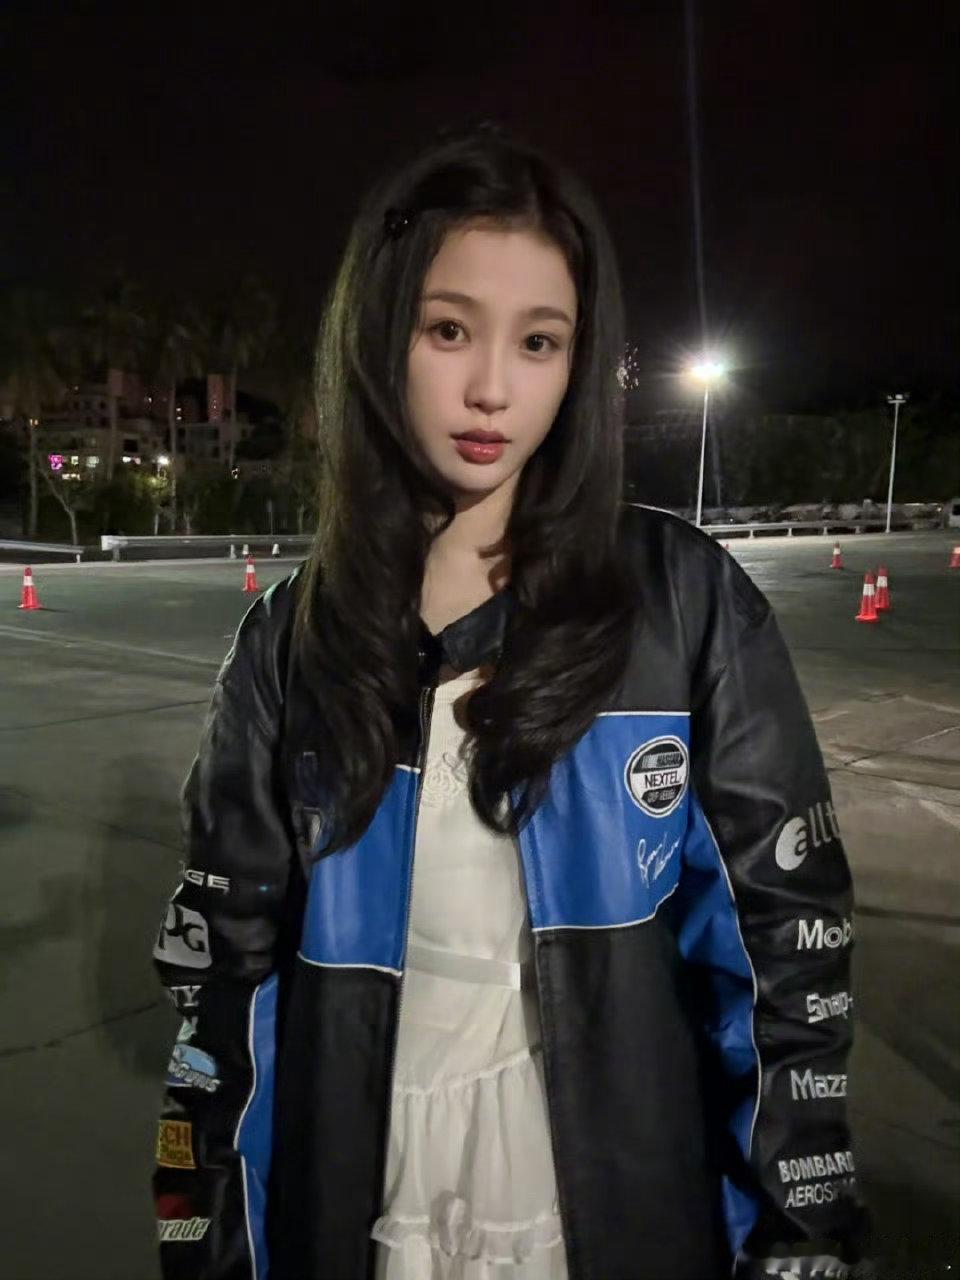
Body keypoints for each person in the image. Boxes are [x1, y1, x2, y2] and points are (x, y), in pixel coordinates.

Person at [151, 121, 874, 1280]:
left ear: (579, 362)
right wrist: (202, 1238)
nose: (492, 387)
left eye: (539, 341)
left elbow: (782, 949)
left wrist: (805, 1224)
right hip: (362, 1208)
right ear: (380, 333)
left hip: (613, 1210)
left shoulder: (684, 603)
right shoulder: (288, 642)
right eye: (449, 329)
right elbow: (219, 996)